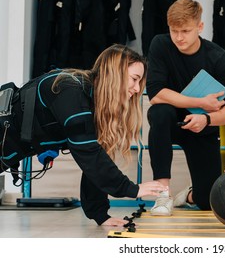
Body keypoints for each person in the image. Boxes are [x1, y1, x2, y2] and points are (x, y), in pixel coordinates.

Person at [0, 44, 167, 226]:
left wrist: (101, 215)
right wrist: (131, 189)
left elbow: (93, 159)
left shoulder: (92, 101)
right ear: (115, 73)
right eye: (134, 79)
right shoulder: (70, 90)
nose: (136, 89)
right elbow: (87, 151)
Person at [146, 0, 225, 216]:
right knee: (159, 112)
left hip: (202, 126)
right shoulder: (160, 44)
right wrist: (200, 102)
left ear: (200, 27)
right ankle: (163, 195)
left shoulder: (218, 57)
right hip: (169, 121)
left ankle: (190, 195)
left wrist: (205, 118)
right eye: (174, 31)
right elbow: (156, 94)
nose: (179, 37)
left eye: (185, 31)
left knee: (208, 201)